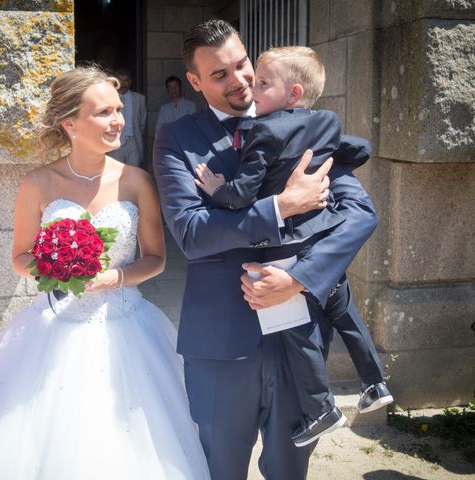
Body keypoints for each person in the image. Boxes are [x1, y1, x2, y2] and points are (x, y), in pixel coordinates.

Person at [0, 66, 210, 480]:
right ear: (70, 124)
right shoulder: (38, 183)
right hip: (54, 324)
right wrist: (59, 270)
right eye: (103, 112)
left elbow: (156, 258)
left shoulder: (137, 182)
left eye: (118, 110)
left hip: (127, 325)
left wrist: (113, 278)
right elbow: (20, 257)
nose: (118, 120)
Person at [153, 20, 378, 480]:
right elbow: (193, 234)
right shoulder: (177, 139)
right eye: (219, 75)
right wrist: (281, 206)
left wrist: (298, 280)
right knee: (219, 468)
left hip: (302, 340)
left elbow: (359, 214)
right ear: (194, 82)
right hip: (221, 344)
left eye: (241, 65)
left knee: (290, 470)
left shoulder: (305, 122)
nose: (239, 80)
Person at [193, 45, 392, 447]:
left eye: (262, 82)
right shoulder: (328, 122)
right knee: (347, 316)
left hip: (286, 250)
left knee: (291, 329)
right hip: (323, 240)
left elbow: (244, 192)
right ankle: (375, 385)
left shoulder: (265, 130)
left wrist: (217, 191)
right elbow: (358, 149)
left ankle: (321, 407)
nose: (251, 86)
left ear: (294, 93)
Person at [108, 67, 146, 167]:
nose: (123, 84)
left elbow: (142, 121)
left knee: (134, 170)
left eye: (126, 81)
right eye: (121, 81)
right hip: (115, 140)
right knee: (114, 170)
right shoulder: (109, 98)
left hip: (133, 141)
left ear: (130, 81)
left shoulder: (139, 99)